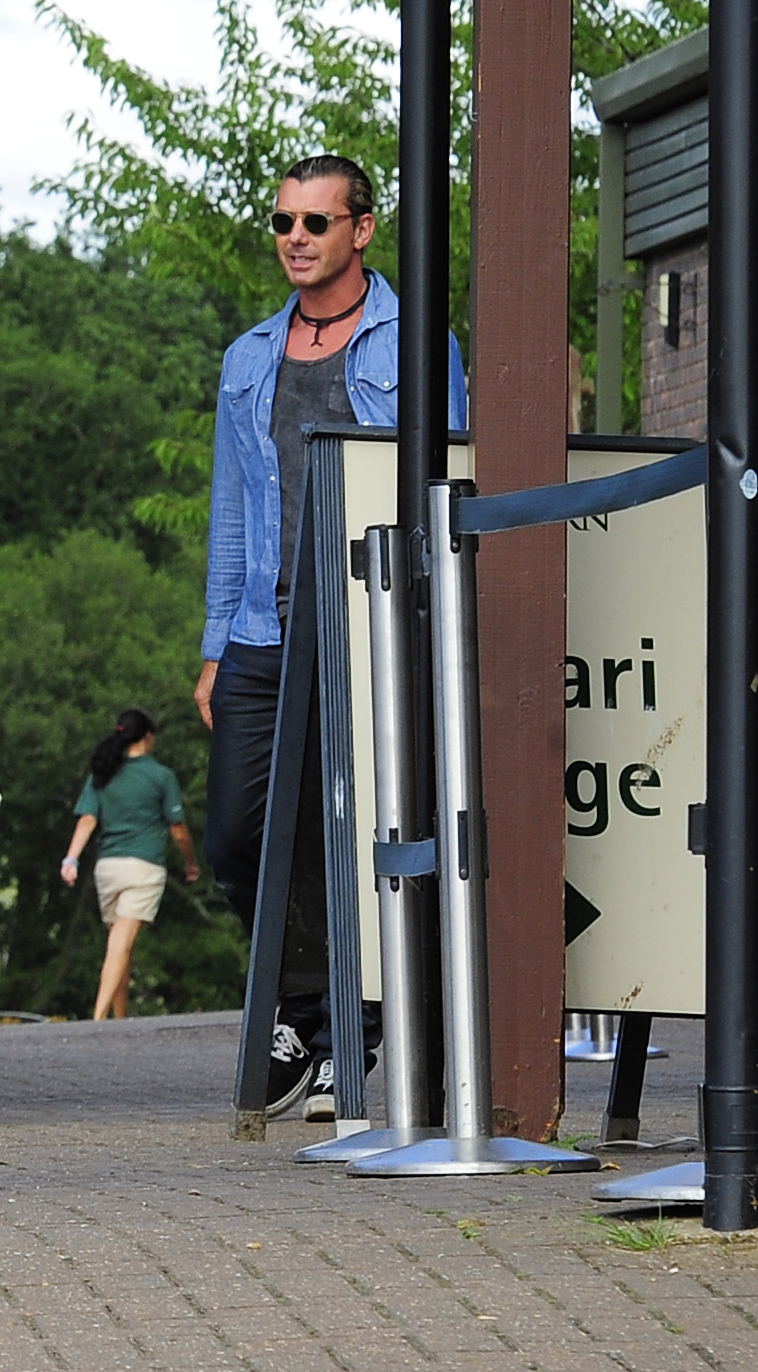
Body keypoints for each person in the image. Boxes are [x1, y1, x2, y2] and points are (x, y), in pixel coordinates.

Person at [196, 153, 465, 1118]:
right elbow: (232, 506)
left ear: (361, 230)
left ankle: (344, 1017)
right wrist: (216, 643)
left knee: (351, 826)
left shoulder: (417, 343)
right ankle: (318, 1008)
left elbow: (451, 482)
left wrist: (438, 620)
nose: (296, 239)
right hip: (266, 631)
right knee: (235, 835)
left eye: (315, 222)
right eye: (282, 224)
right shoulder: (248, 358)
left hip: (375, 618)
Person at [60, 709, 199, 1021]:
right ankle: (98, 1018)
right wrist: (191, 863)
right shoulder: (161, 776)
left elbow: (87, 819)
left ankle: (118, 1020)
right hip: (143, 868)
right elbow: (177, 827)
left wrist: (71, 858)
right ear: (147, 736)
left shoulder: (103, 772)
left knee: (121, 946)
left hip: (108, 868)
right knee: (120, 945)